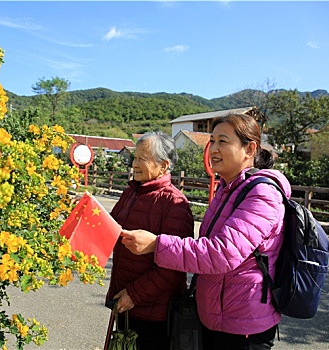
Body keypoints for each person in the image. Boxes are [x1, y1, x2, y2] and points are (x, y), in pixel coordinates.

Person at [121, 113, 291, 350]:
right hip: (215, 317)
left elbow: (221, 253)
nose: (214, 149)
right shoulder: (227, 190)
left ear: (250, 149)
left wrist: (156, 244)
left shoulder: (262, 194)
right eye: (212, 141)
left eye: (223, 141)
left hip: (244, 325)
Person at [106, 131, 194, 350]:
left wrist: (133, 295)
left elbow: (174, 267)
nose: (134, 164)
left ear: (163, 166)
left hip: (153, 313)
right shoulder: (131, 192)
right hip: (125, 302)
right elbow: (112, 227)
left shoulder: (175, 203)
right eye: (134, 158)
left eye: (141, 159)